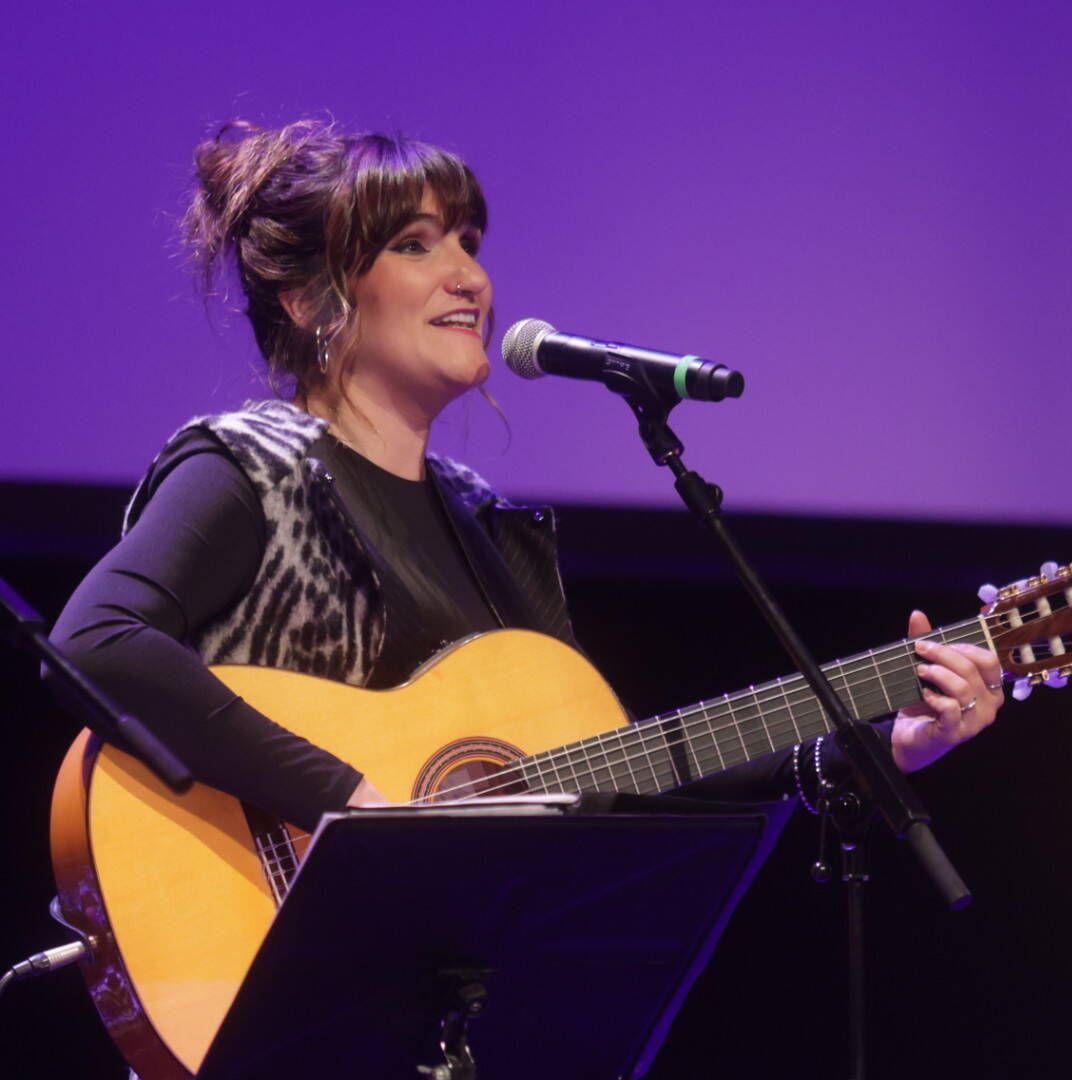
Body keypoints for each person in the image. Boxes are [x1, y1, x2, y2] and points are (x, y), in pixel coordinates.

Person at [48, 119, 1003, 832]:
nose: (469, 276)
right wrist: (351, 803)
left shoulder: (489, 528)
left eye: (470, 241)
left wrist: (888, 741)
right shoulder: (249, 469)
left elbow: (603, 775)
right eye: (415, 244)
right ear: (308, 299)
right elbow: (97, 641)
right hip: (270, 944)